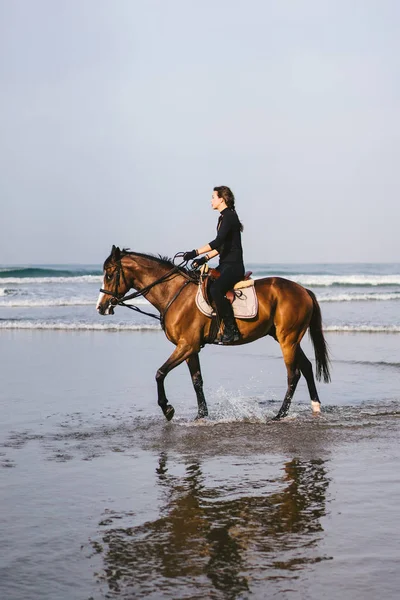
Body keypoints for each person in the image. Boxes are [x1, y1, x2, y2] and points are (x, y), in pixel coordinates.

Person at [183, 186, 245, 343]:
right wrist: (204, 259)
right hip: (224, 265)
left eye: (213, 197)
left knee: (216, 289)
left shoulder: (230, 217)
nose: (211, 200)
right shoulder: (222, 218)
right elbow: (221, 247)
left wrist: (195, 252)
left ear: (221, 199)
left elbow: (217, 242)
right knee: (204, 283)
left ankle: (232, 330)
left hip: (234, 267)